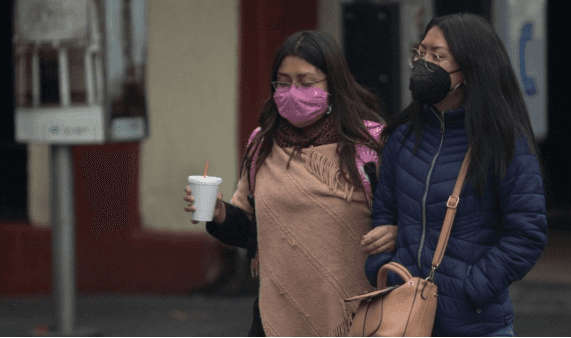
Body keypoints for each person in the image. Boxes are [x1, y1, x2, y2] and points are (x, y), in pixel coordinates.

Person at [184, 30, 397, 337]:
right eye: (283, 83)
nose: (293, 92)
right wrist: (218, 214)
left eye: (306, 82)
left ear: (333, 84)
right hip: (275, 316)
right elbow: (251, 231)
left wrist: (394, 231)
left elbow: (408, 215)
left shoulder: (370, 143)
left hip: (358, 317)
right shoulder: (263, 143)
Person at [365, 13, 547, 337]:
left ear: (469, 68)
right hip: (403, 319)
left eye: (437, 56)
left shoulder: (504, 143)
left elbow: (526, 233)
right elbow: (384, 212)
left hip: (476, 326)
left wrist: (471, 288)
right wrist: (381, 268)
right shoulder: (402, 138)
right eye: (420, 53)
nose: (424, 63)